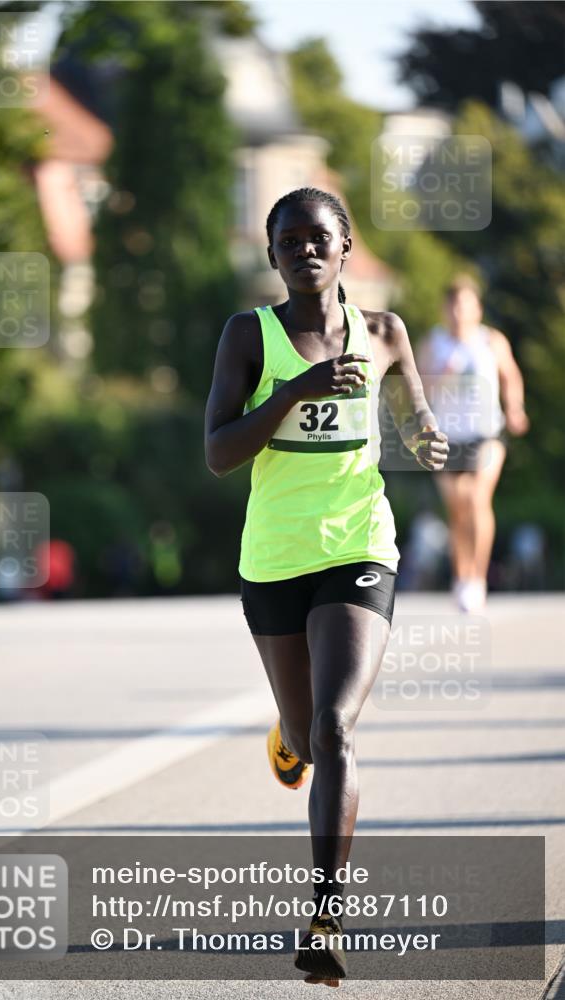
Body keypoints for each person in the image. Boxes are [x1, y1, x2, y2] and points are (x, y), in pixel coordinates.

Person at [204, 187, 448, 985]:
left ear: (346, 248)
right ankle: (287, 731)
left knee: (337, 729)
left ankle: (324, 913)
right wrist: (290, 394)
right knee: (307, 738)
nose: (305, 251)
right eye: (289, 241)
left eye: (319, 238)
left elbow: (409, 405)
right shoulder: (250, 334)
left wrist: (425, 434)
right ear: (271, 256)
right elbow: (218, 452)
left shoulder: (382, 330)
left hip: (358, 547)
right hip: (274, 556)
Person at [417, 275, 529, 612]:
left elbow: (510, 375)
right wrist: (441, 376)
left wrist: (515, 407)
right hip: (446, 438)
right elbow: (418, 391)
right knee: (458, 508)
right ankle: (462, 575)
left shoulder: (491, 341)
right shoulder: (432, 344)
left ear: (477, 309)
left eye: (466, 306)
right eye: (453, 306)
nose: (459, 313)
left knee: (478, 499)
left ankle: (477, 579)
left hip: (486, 433)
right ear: (444, 309)